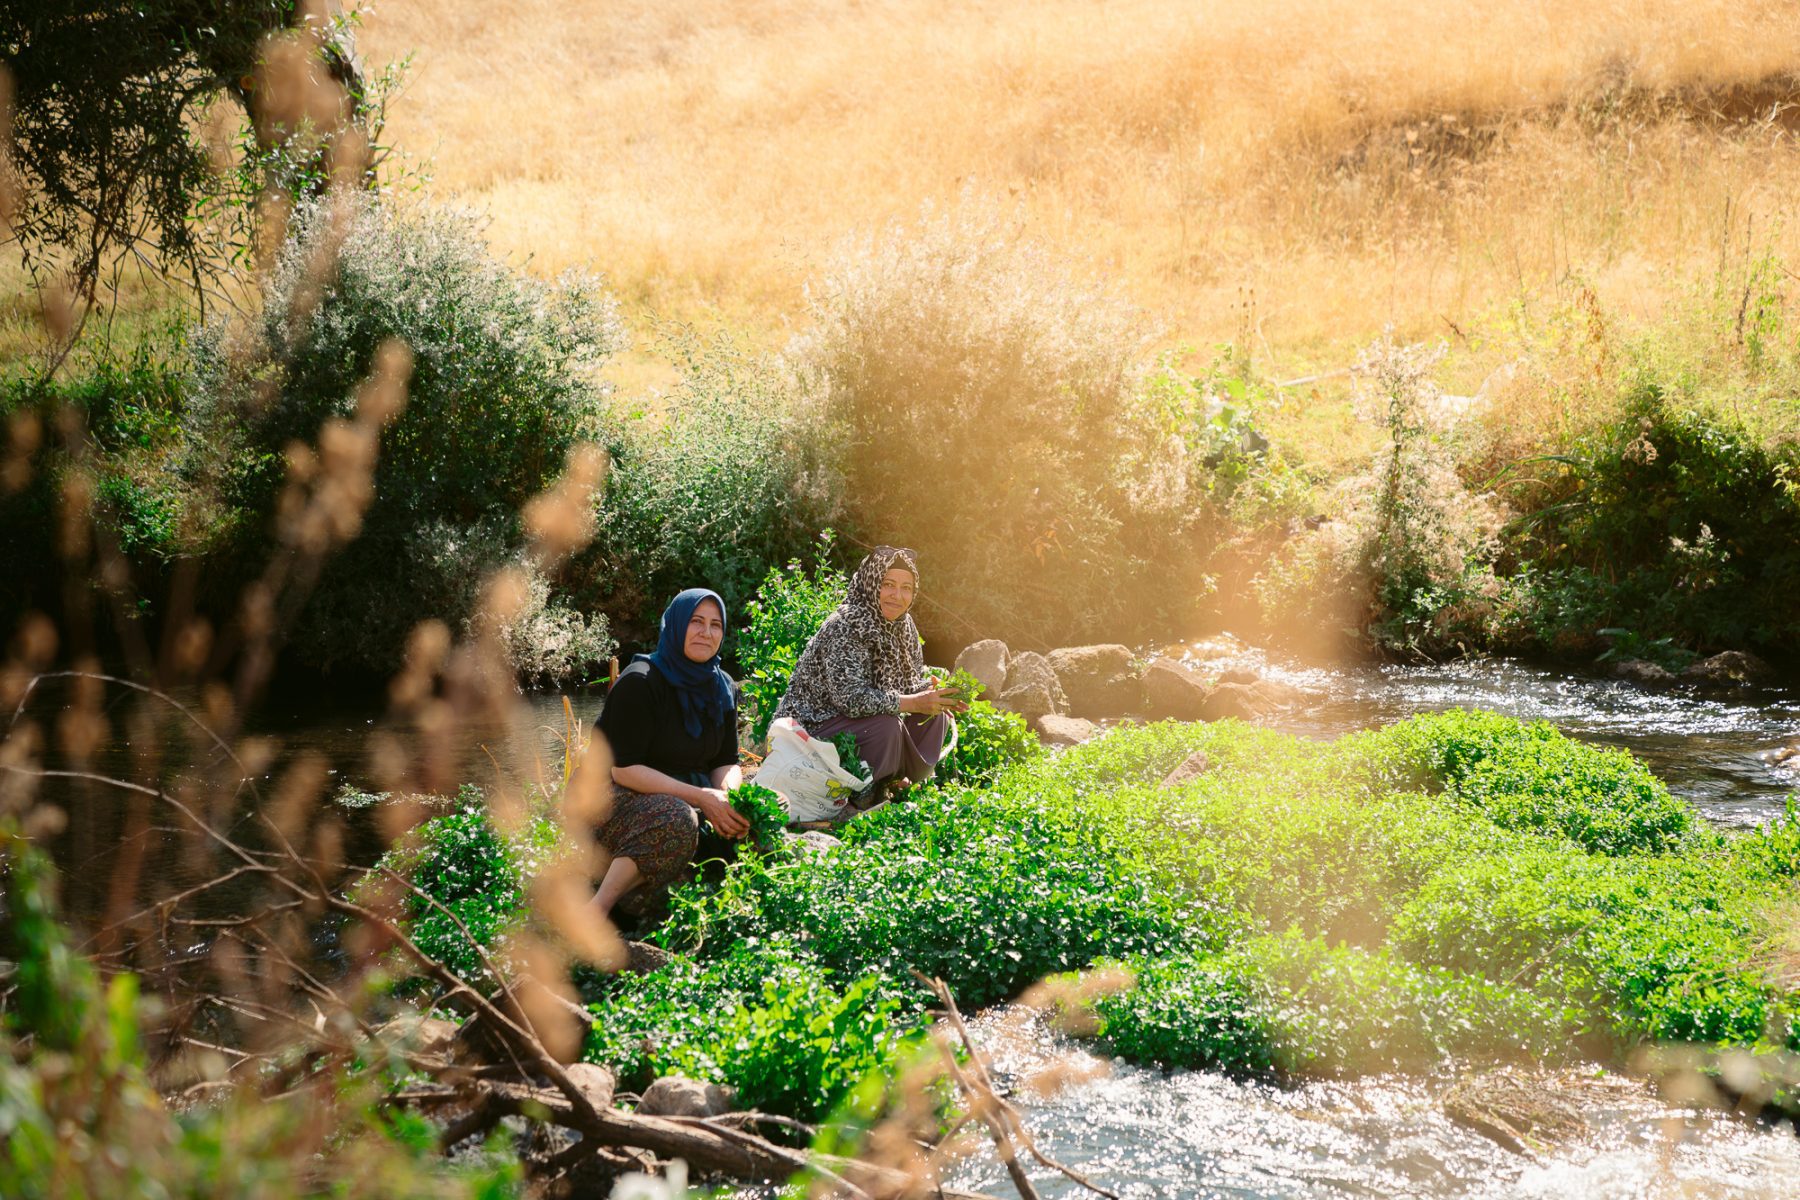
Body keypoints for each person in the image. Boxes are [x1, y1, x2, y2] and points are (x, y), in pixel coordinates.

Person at [590, 588, 748, 916]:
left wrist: (727, 796)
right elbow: (623, 770)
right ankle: (597, 907)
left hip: (688, 793)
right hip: (614, 797)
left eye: (716, 625)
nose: (706, 632)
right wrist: (702, 797)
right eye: (696, 621)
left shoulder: (723, 686)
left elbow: (726, 761)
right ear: (676, 625)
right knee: (677, 818)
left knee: (766, 806)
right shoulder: (641, 682)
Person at [773, 546, 966, 802]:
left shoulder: (904, 626)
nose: (897, 595)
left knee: (934, 717)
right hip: (812, 728)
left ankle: (895, 779)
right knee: (886, 726)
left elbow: (906, 685)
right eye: (888, 584)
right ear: (871, 584)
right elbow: (851, 700)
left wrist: (934, 694)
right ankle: (860, 795)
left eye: (906, 588)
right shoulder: (845, 625)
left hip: (862, 722)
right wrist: (915, 702)